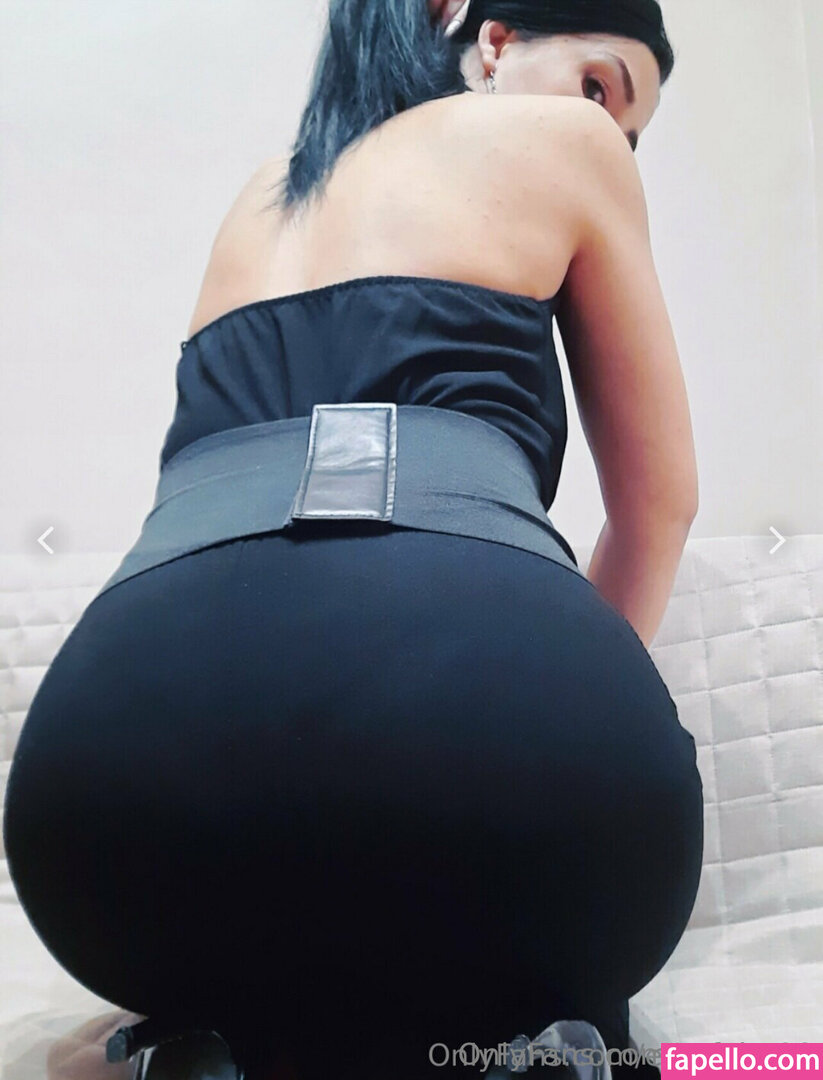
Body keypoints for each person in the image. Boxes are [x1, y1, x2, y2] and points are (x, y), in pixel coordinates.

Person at [3, 1, 703, 1078]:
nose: (610, 130)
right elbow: (659, 507)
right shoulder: (568, 143)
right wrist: (575, 724)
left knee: (280, 957)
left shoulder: (261, 195)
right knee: (521, 936)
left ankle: (232, 1041)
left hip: (99, 826)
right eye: (602, 86)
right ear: (494, 40)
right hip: (527, 819)